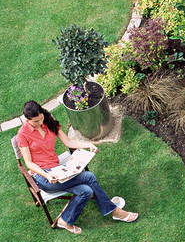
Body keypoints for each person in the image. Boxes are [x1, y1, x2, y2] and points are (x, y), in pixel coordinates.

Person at [16, 100, 137, 234]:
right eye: (35, 121)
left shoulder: (48, 120)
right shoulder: (22, 134)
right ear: (27, 120)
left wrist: (88, 144)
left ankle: (65, 220)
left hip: (57, 169)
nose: (40, 122)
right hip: (43, 178)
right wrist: (47, 175)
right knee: (89, 177)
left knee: (86, 191)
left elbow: (68, 141)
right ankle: (115, 211)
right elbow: (29, 163)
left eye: (41, 118)